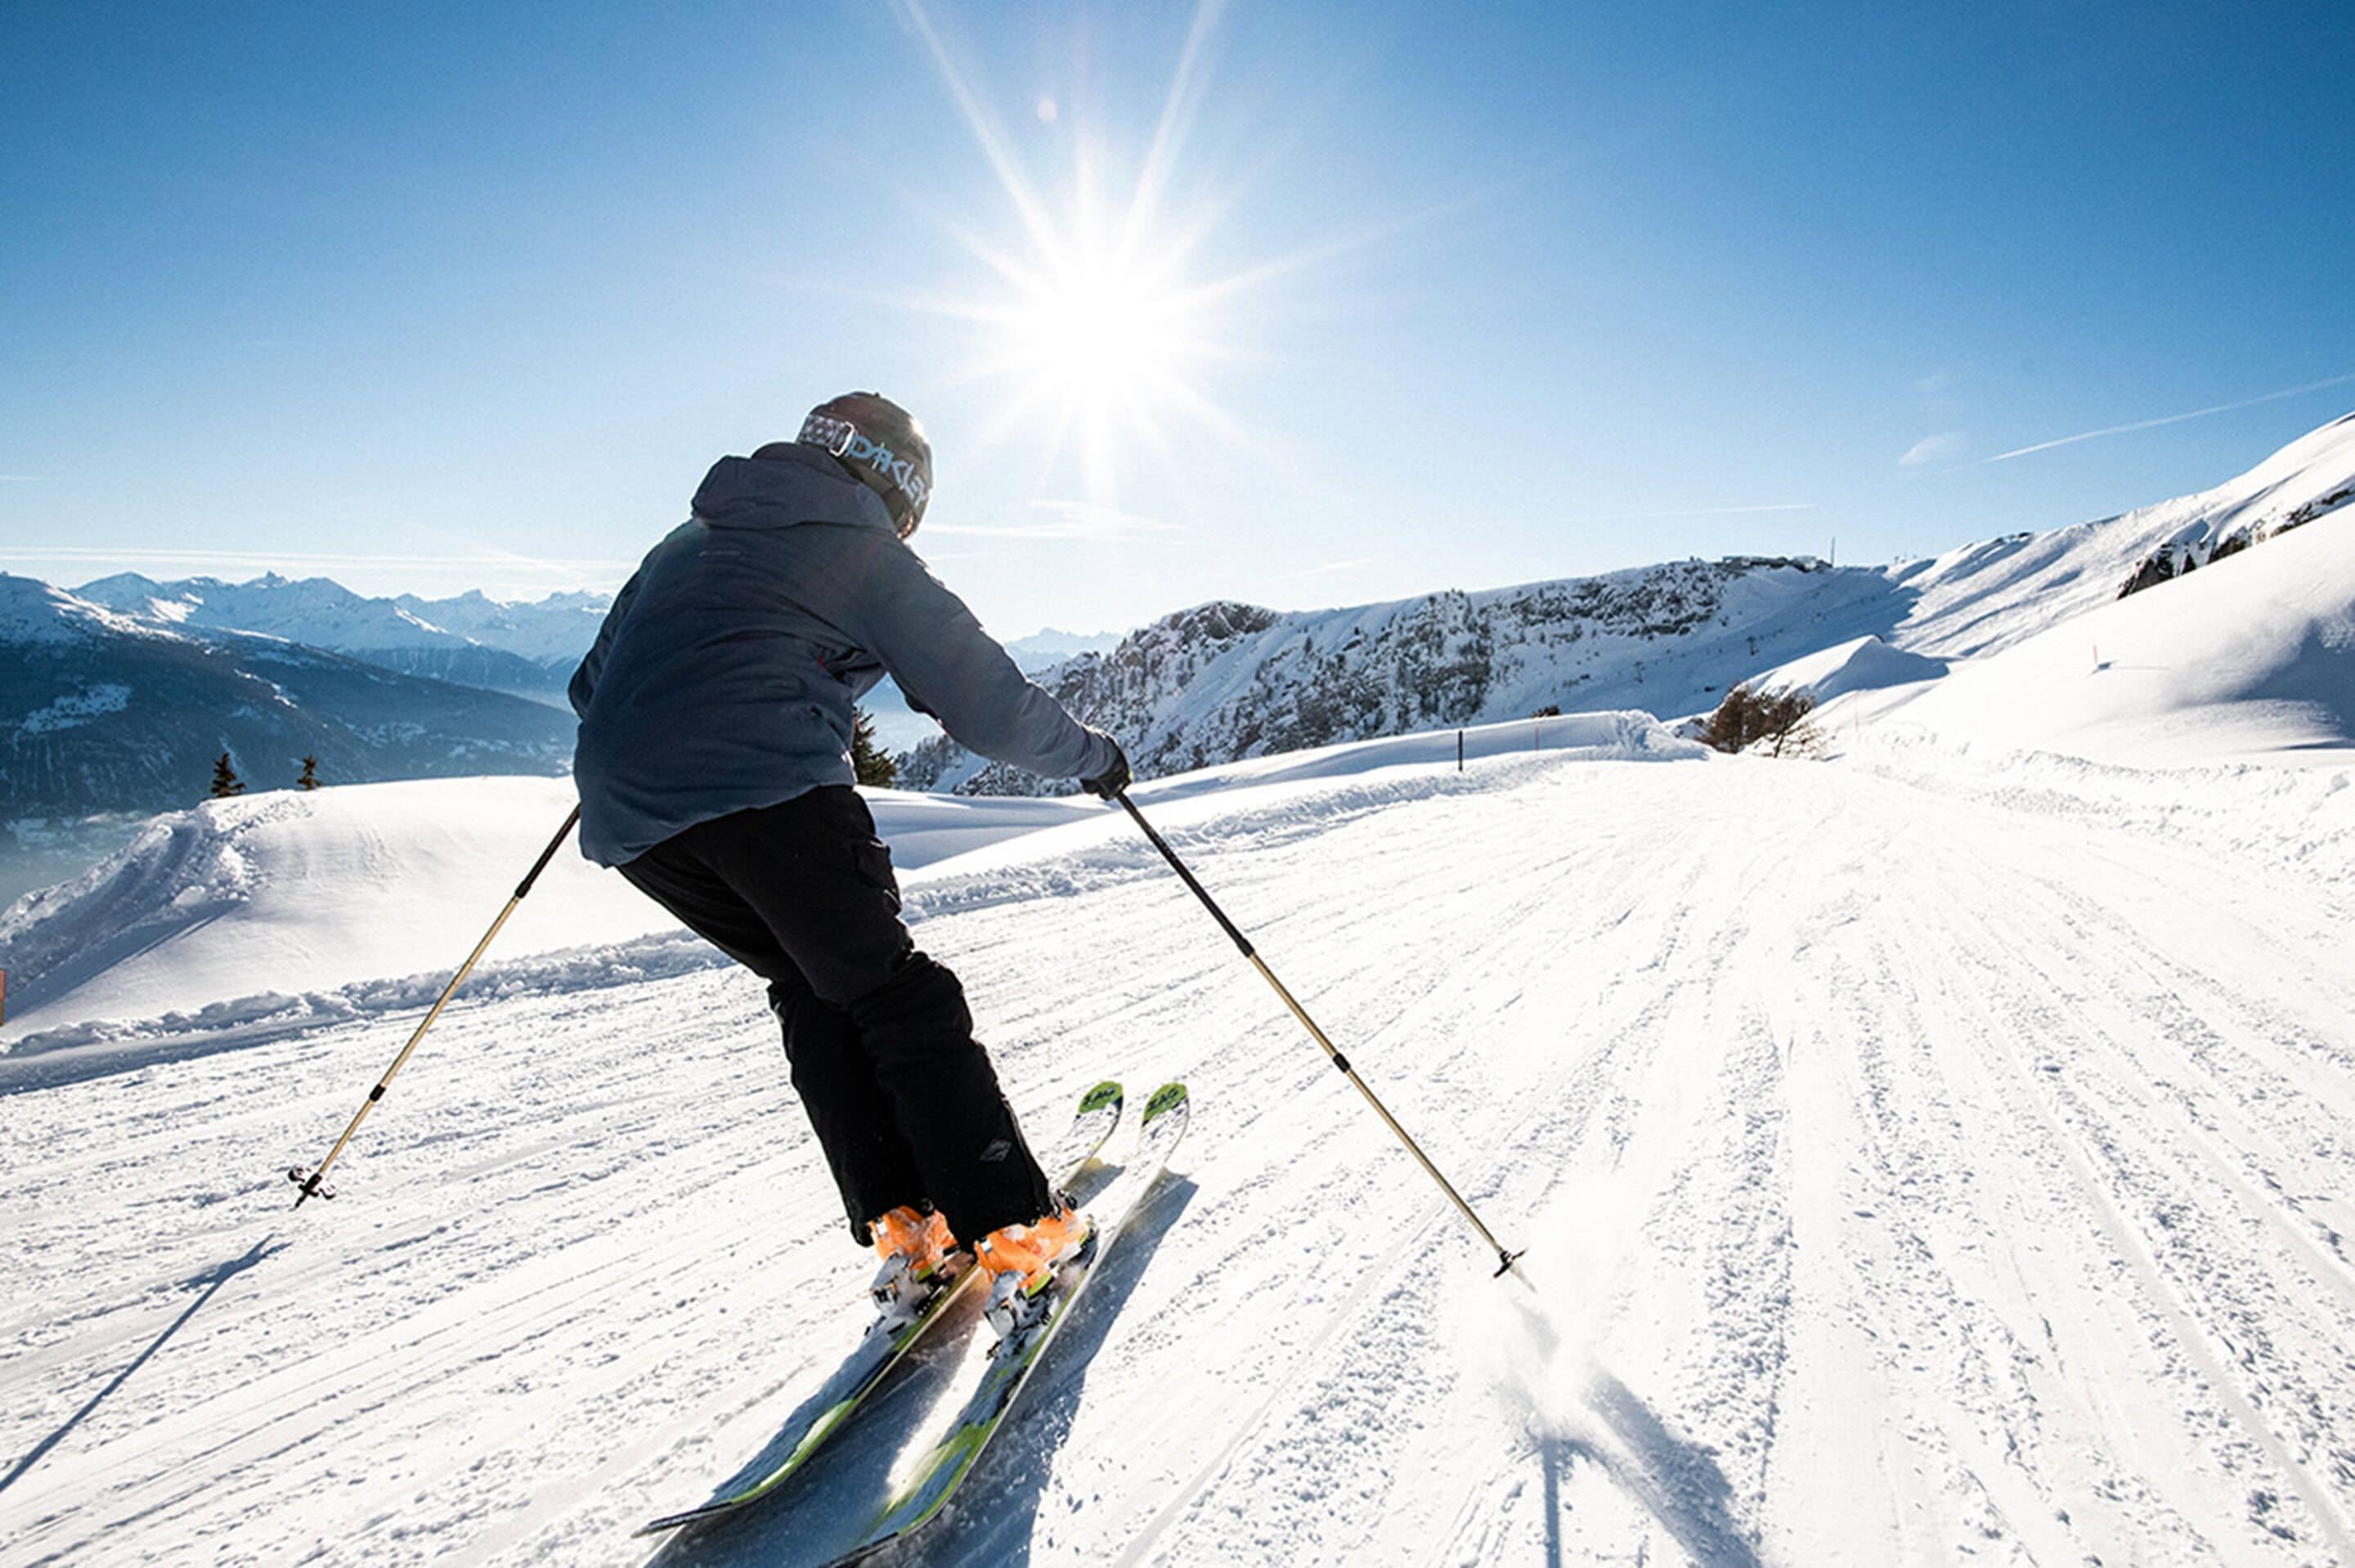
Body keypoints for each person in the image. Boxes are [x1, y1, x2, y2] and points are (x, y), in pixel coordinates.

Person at [567, 391, 1132, 1328]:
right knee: (900, 998)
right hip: (769, 786)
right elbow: (984, 701)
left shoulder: (686, 539)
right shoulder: (865, 549)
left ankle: (908, 1223)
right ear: (901, 490)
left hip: (631, 815)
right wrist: (1092, 756)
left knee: (815, 985)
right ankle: (1018, 1230)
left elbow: (589, 686)